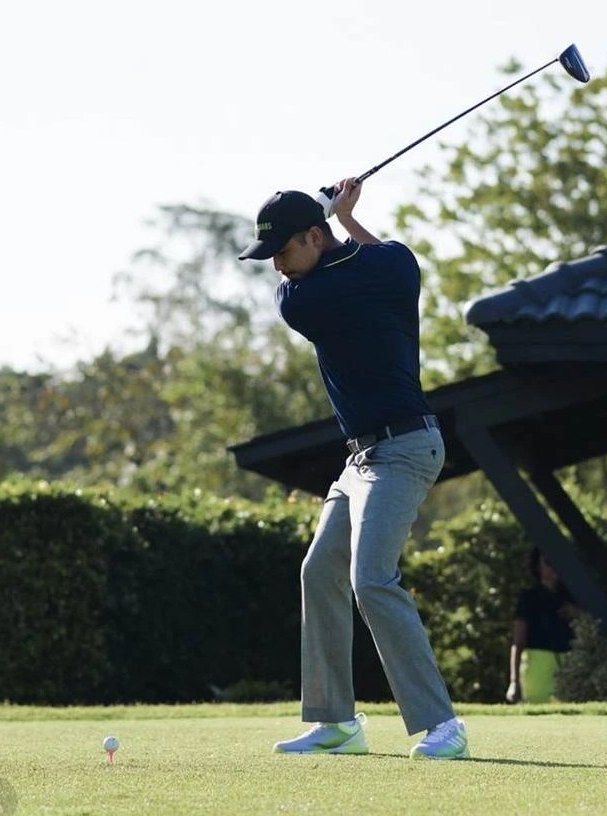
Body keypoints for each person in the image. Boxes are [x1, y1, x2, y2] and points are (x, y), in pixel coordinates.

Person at [238, 179, 468, 760]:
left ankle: (443, 726)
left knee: (372, 580)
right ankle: (336, 722)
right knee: (320, 572)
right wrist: (346, 217)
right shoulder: (393, 268)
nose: (278, 268)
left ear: (313, 238)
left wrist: (334, 215)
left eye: (282, 252)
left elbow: (310, 282)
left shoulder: (304, 300)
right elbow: (385, 254)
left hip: (405, 448)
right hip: (361, 458)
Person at [505, 547, 581, 704]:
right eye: (548, 562)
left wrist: (577, 614)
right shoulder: (528, 598)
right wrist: (514, 681)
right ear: (538, 566)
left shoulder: (574, 597)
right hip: (537, 667)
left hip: (569, 665)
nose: (554, 566)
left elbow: (592, 628)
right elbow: (518, 642)